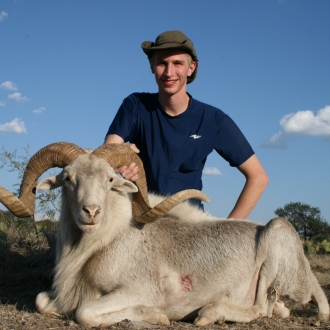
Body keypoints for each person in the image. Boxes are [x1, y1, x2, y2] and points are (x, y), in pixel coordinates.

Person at [104, 30, 269, 219]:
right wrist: (120, 155)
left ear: (191, 68)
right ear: (151, 66)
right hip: (144, 221)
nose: (169, 72)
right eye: (161, 63)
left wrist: (227, 230)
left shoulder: (213, 119)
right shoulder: (135, 105)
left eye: (177, 63)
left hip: (190, 228)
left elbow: (259, 177)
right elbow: (108, 149)